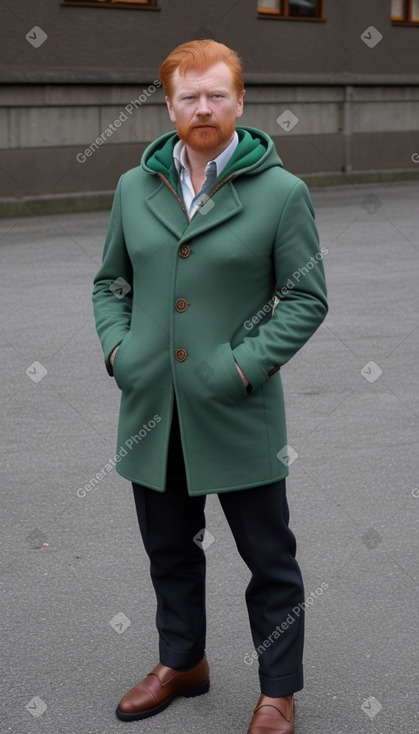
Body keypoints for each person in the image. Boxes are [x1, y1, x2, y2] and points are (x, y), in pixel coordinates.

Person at [92, 39, 328, 734]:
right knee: (168, 550)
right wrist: (120, 351)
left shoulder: (282, 193)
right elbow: (111, 282)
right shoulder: (134, 187)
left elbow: (305, 298)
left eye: (216, 94)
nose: (203, 107)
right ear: (167, 106)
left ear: (240, 101)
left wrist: (239, 366)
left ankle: (278, 690)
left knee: (269, 560)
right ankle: (181, 663)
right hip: (150, 411)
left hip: (236, 409)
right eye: (189, 96)